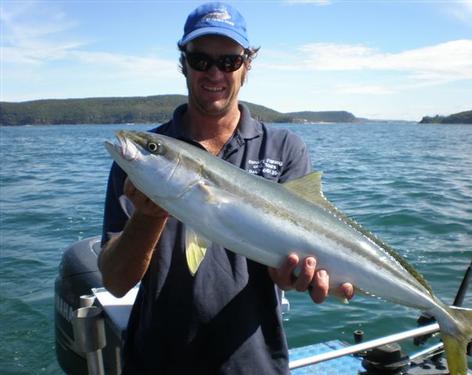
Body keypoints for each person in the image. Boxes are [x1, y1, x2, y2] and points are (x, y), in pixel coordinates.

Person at [98, 2, 353, 374]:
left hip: (254, 363)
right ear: (183, 63)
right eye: (201, 60)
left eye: (229, 61)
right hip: (155, 362)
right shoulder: (141, 162)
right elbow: (116, 283)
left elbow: (298, 259)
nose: (214, 72)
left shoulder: (284, 149)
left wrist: (298, 276)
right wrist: (147, 217)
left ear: (247, 64)